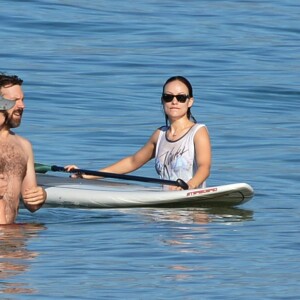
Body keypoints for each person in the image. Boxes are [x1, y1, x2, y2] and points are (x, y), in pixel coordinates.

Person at [66, 76, 211, 190]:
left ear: (190, 101)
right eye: (168, 97)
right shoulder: (159, 135)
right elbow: (132, 162)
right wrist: (87, 175)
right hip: (164, 214)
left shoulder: (198, 131)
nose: (174, 101)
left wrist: (189, 186)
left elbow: (204, 167)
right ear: (163, 101)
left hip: (191, 212)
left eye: (180, 98)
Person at [0, 73, 47, 224]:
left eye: (22, 99)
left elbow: (32, 204)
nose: (22, 106)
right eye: (14, 100)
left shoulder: (24, 145)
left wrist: (41, 196)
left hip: (11, 237)